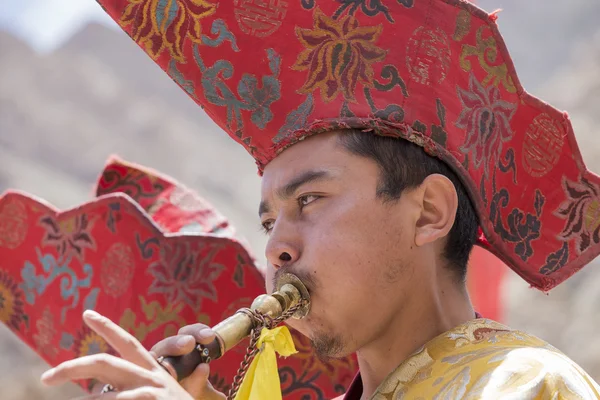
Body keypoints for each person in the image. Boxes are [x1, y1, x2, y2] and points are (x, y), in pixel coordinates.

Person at [39, 0, 600, 398]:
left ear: (428, 212)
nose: (277, 248)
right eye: (268, 223)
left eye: (309, 201)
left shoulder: (527, 385)